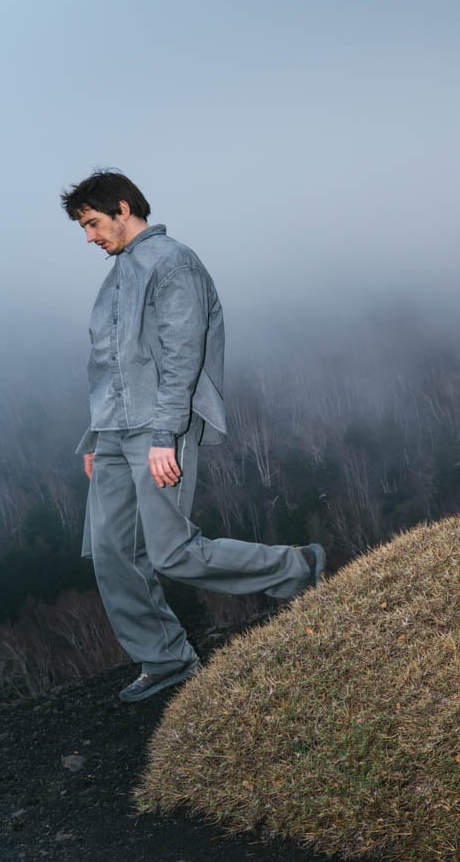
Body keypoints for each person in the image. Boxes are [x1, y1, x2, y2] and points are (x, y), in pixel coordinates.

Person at [62, 170, 324, 702]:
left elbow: (183, 355)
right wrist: (95, 437)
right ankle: (164, 659)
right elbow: (110, 361)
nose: (89, 237)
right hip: (115, 429)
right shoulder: (117, 273)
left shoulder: (173, 262)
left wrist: (165, 435)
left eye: (92, 223)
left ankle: (298, 567)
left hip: (160, 427)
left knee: (171, 551)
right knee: (111, 551)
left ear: (122, 207)